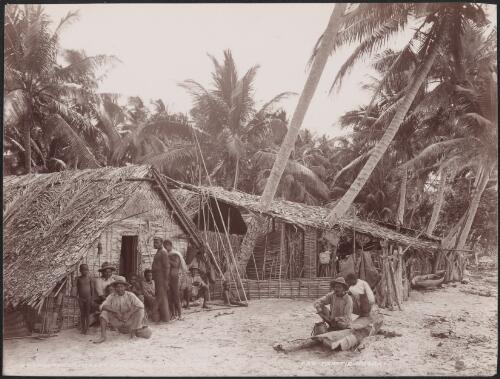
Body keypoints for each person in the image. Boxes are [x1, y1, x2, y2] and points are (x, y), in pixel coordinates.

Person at [94, 277, 145, 344]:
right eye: (117, 287)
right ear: (115, 288)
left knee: (140, 311)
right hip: (117, 321)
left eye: (121, 286)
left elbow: (141, 305)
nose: (120, 289)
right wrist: (116, 311)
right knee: (104, 313)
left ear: (125, 287)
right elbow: (102, 306)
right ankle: (103, 336)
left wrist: (129, 313)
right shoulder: (111, 296)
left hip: (129, 321)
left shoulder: (130, 295)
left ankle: (132, 334)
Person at [164, 240, 188, 319]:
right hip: (169, 278)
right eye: (164, 246)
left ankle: (180, 314)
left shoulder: (175, 254)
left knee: (176, 296)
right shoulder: (167, 254)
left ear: (170, 245)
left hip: (175, 278)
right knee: (169, 296)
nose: (165, 247)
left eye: (166, 245)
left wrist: (168, 259)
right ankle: (173, 314)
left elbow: (176, 264)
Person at [152, 237, 171, 322]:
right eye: (154, 242)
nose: (154, 244)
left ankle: (155, 314)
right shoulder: (159, 251)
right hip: (157, 276)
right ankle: (165, 318)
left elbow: (167, 267)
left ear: (161, 243)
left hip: (161, 277)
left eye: (156, 242)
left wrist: (166, 280)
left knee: (160, 296)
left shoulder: (163, 252)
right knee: (162, 297)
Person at [73, 264, 94, 334]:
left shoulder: (90, 278)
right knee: (82, 314)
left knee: (87, 313)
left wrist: (92, 298)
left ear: (88, 270)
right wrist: (76, 296)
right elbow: (75, 288)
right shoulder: (78, 279)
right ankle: (83, 328)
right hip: (81, 298)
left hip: (88, 298)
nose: (85, 271)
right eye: (83, 270)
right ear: (80, 271)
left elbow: (92, 289)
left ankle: (87, 328)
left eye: (86, 269)